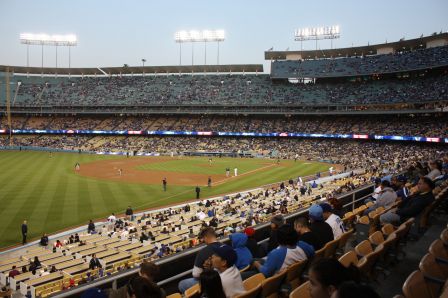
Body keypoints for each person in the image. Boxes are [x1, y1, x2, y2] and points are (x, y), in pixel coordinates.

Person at [178, 227, 221, 293]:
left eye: (203, 238)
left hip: (215, 281)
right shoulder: (224, 245)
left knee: (182, 284)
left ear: (206, 237)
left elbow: (196, 274)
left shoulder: (203, 252)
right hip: (225, 277)